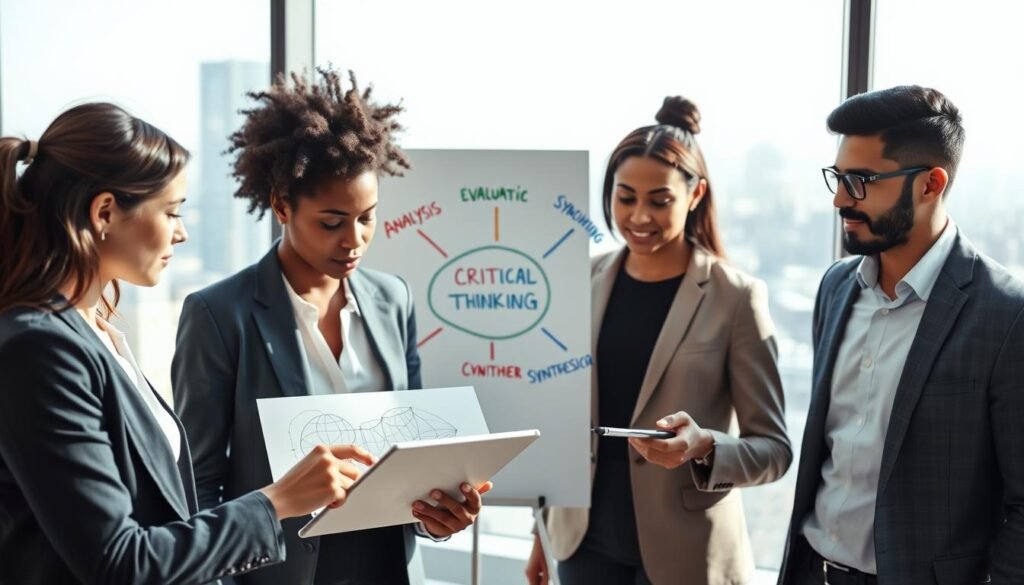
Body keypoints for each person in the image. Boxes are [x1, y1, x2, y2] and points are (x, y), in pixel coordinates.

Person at [0, 102, 374, 585]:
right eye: (172, 212)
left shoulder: (98, 330)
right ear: (106, 212)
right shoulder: (39, 350)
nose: (182, 232)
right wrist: (277, 501)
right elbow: (119, 562)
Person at [172, 68, 488, 585]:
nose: (355, 240)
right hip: (280, 572)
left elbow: (416, 453)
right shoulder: (219, 315)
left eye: (368, 217)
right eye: (332, 221)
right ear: (281, 206)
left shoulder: (394, 299)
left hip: (391, 566)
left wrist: (441, 515)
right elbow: (199, 482)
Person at [526, 97, 792, 585]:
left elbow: (774, 449)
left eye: (659, 200)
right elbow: (562, 418)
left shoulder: (736, 297)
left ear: (695, 196)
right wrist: (539, 532)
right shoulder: (579, 280)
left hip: (689, 556)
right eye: (625, 197)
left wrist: (705, 446)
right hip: (584, 545)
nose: (639, 217)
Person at [777, 85, 1024, 584]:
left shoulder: (1005, 314)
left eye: (862, 181)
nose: (840, 200)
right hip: (810, 569)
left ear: (931, 184)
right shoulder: (835, 287)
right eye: (839, 178)